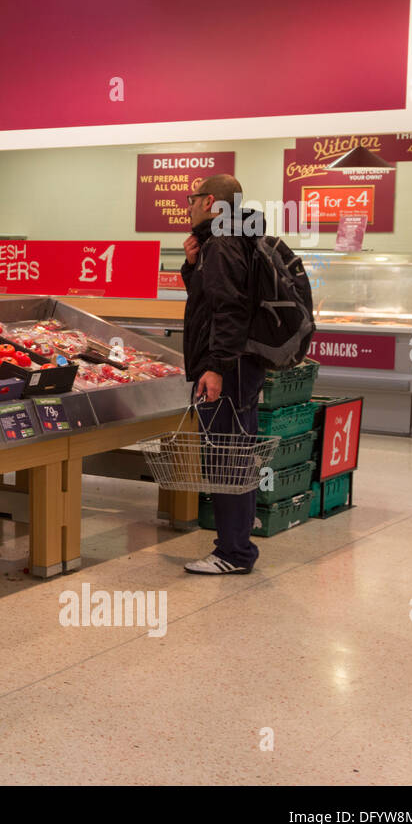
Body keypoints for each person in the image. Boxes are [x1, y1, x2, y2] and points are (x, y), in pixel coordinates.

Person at [180, 173, 266, 575]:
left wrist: (215, 368)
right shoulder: (233, 237)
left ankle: (233, 552)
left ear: (210, 200)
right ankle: (237, 543)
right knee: (235, 455)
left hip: (228, 370)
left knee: (225, 458)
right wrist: (192, 265)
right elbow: (208, 302)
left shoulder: (224, 243)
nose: (189, 205)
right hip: (240, 367)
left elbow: (229, 312)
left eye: (193, 198)